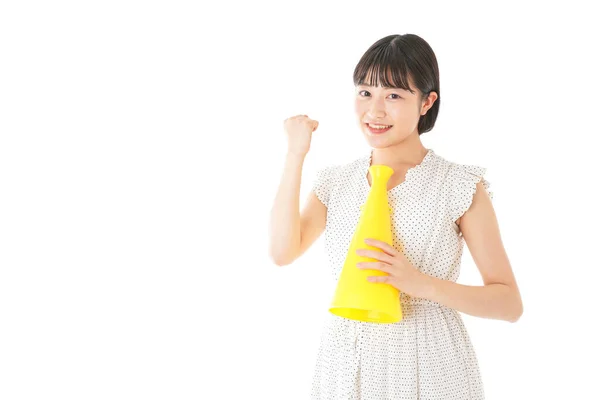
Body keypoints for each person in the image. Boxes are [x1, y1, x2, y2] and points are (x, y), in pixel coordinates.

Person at [268, 33, 523, 400]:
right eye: (365, 92)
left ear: (426, 102)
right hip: (345, 362)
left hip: (432, 365)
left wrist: (422, 284)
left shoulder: (458, 185)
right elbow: (281, 251)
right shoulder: (335, 183)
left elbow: (509, 304)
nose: (374, 111)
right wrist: (295, 156)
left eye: (394, 96)